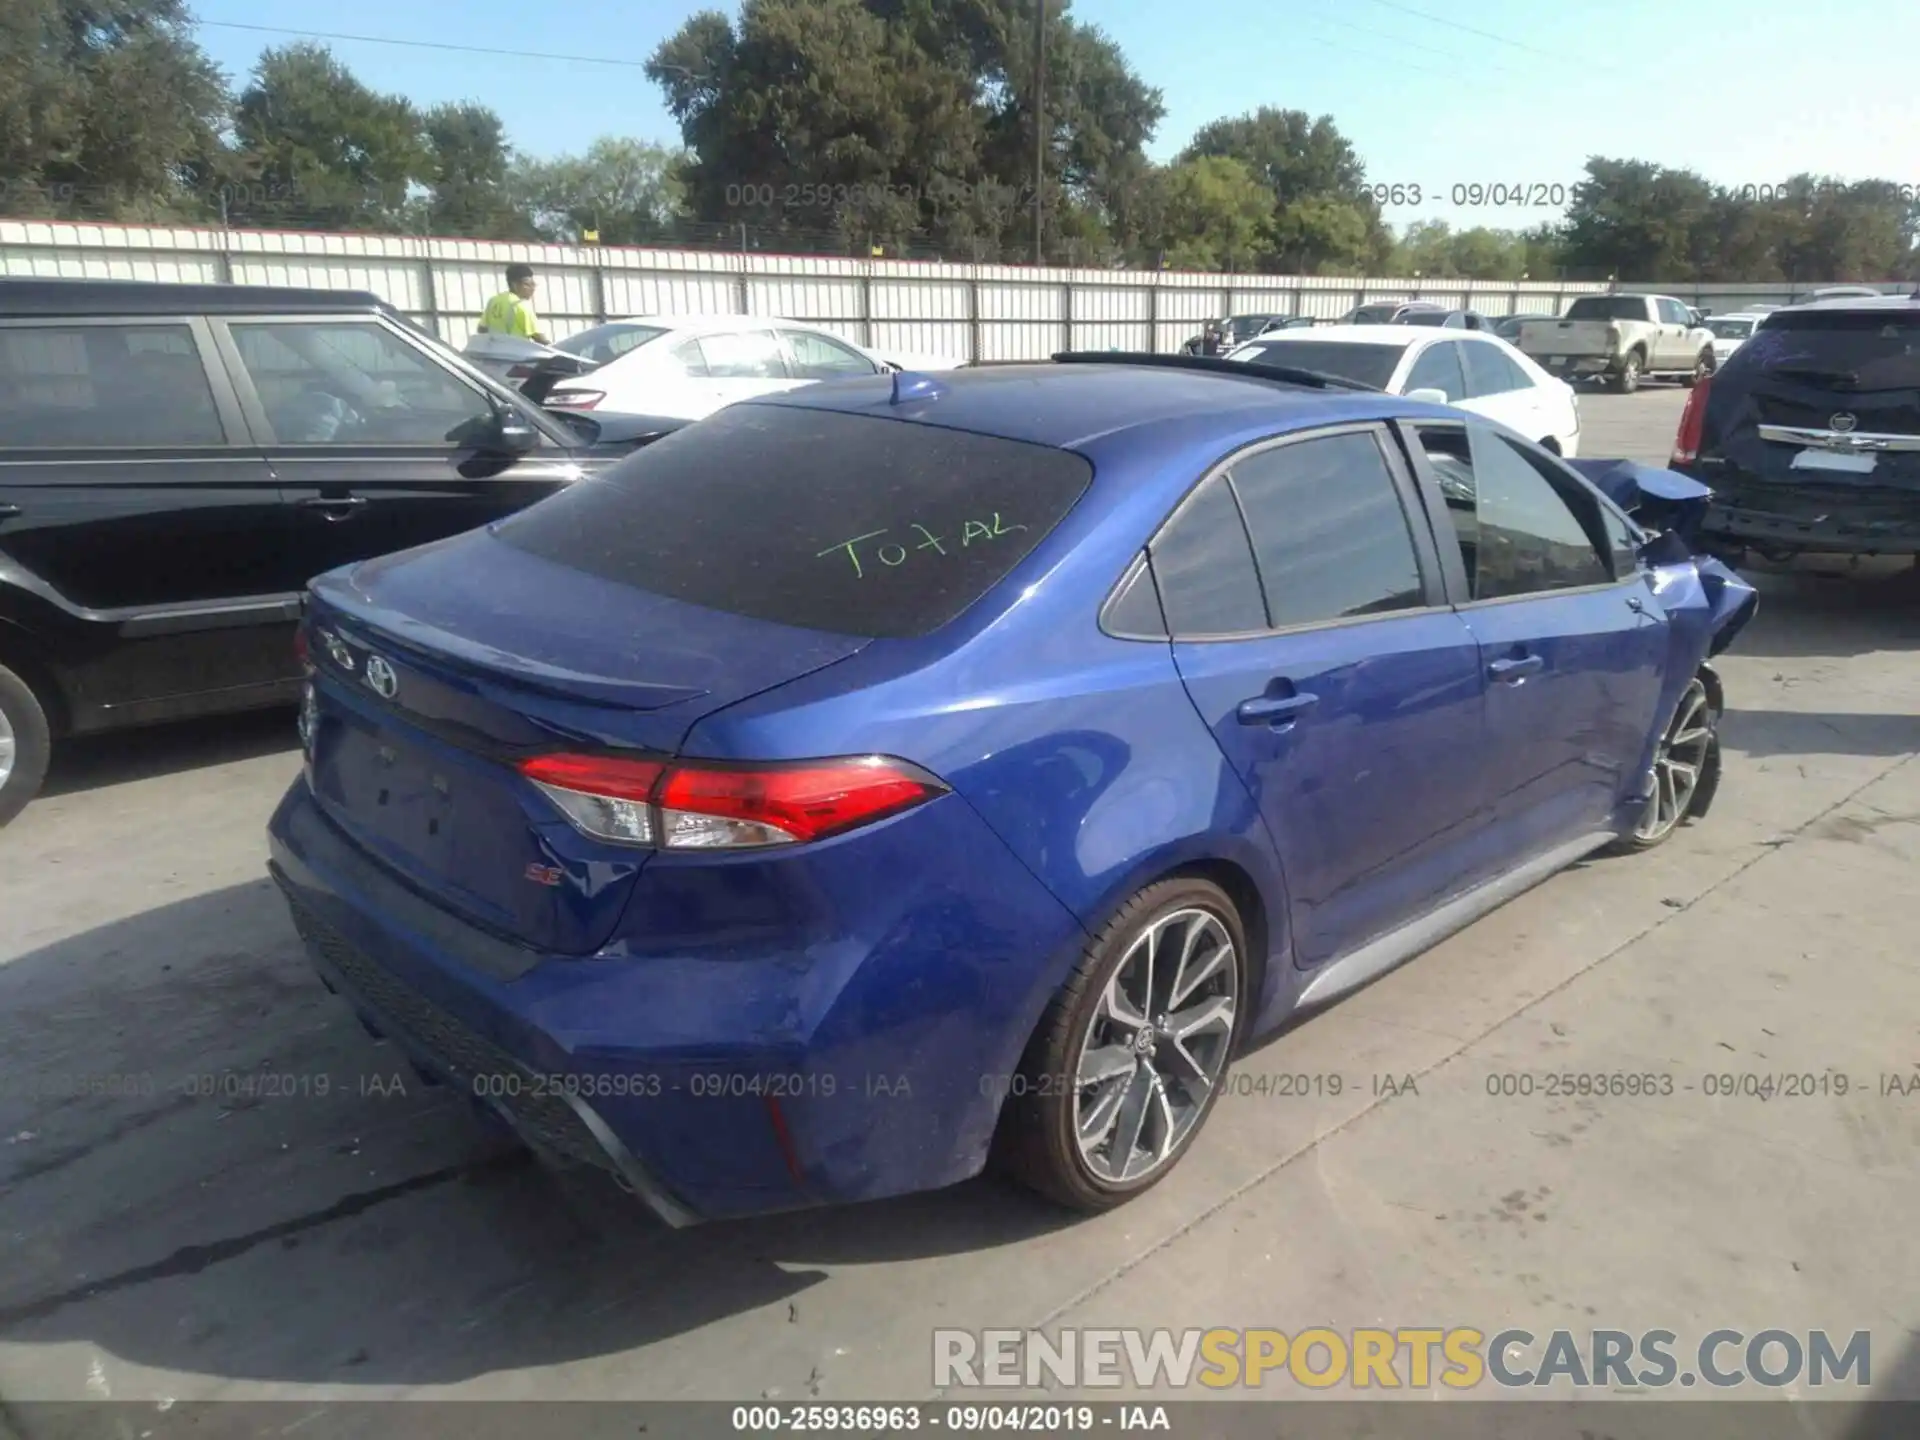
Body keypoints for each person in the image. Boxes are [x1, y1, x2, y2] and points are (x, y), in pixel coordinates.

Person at [479, 263, 548, 345]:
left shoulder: (493, 301)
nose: (532, 288)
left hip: (494, 353)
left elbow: (481, 329)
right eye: (527, 284)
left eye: (533, 284)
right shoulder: (521, 306)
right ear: (514, 285)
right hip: (516, 354)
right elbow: (538, 337)